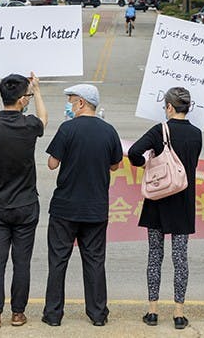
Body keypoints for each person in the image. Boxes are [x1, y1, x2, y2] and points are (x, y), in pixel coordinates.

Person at [42, 84, 122, 327]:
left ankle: (53, 315)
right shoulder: (108, 131)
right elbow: (115, 165)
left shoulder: (67, 129)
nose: (69, 104)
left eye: (71, 100)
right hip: (95, 207)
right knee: (95, 261)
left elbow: (52, 164)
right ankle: (98, 314)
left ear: (82, 103)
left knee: (58, 261)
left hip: (65, 208)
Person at [0, 73, 48, 329]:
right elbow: (44, 120)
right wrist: (37, 90)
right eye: (27, 96)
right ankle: (18, 313)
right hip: (26, 203)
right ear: (21, 100)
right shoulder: (29, 125)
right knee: (22, 261)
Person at [128, 87, 203, 330]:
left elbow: (134, 153)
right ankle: (179, 313)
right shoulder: (196, 134)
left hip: (158, 201)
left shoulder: (159, 131)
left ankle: (152, 311)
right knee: (180, 258)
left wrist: (146, 163)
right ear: (188, 107)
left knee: (155, 256)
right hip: (183, 203)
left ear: (169, 107)